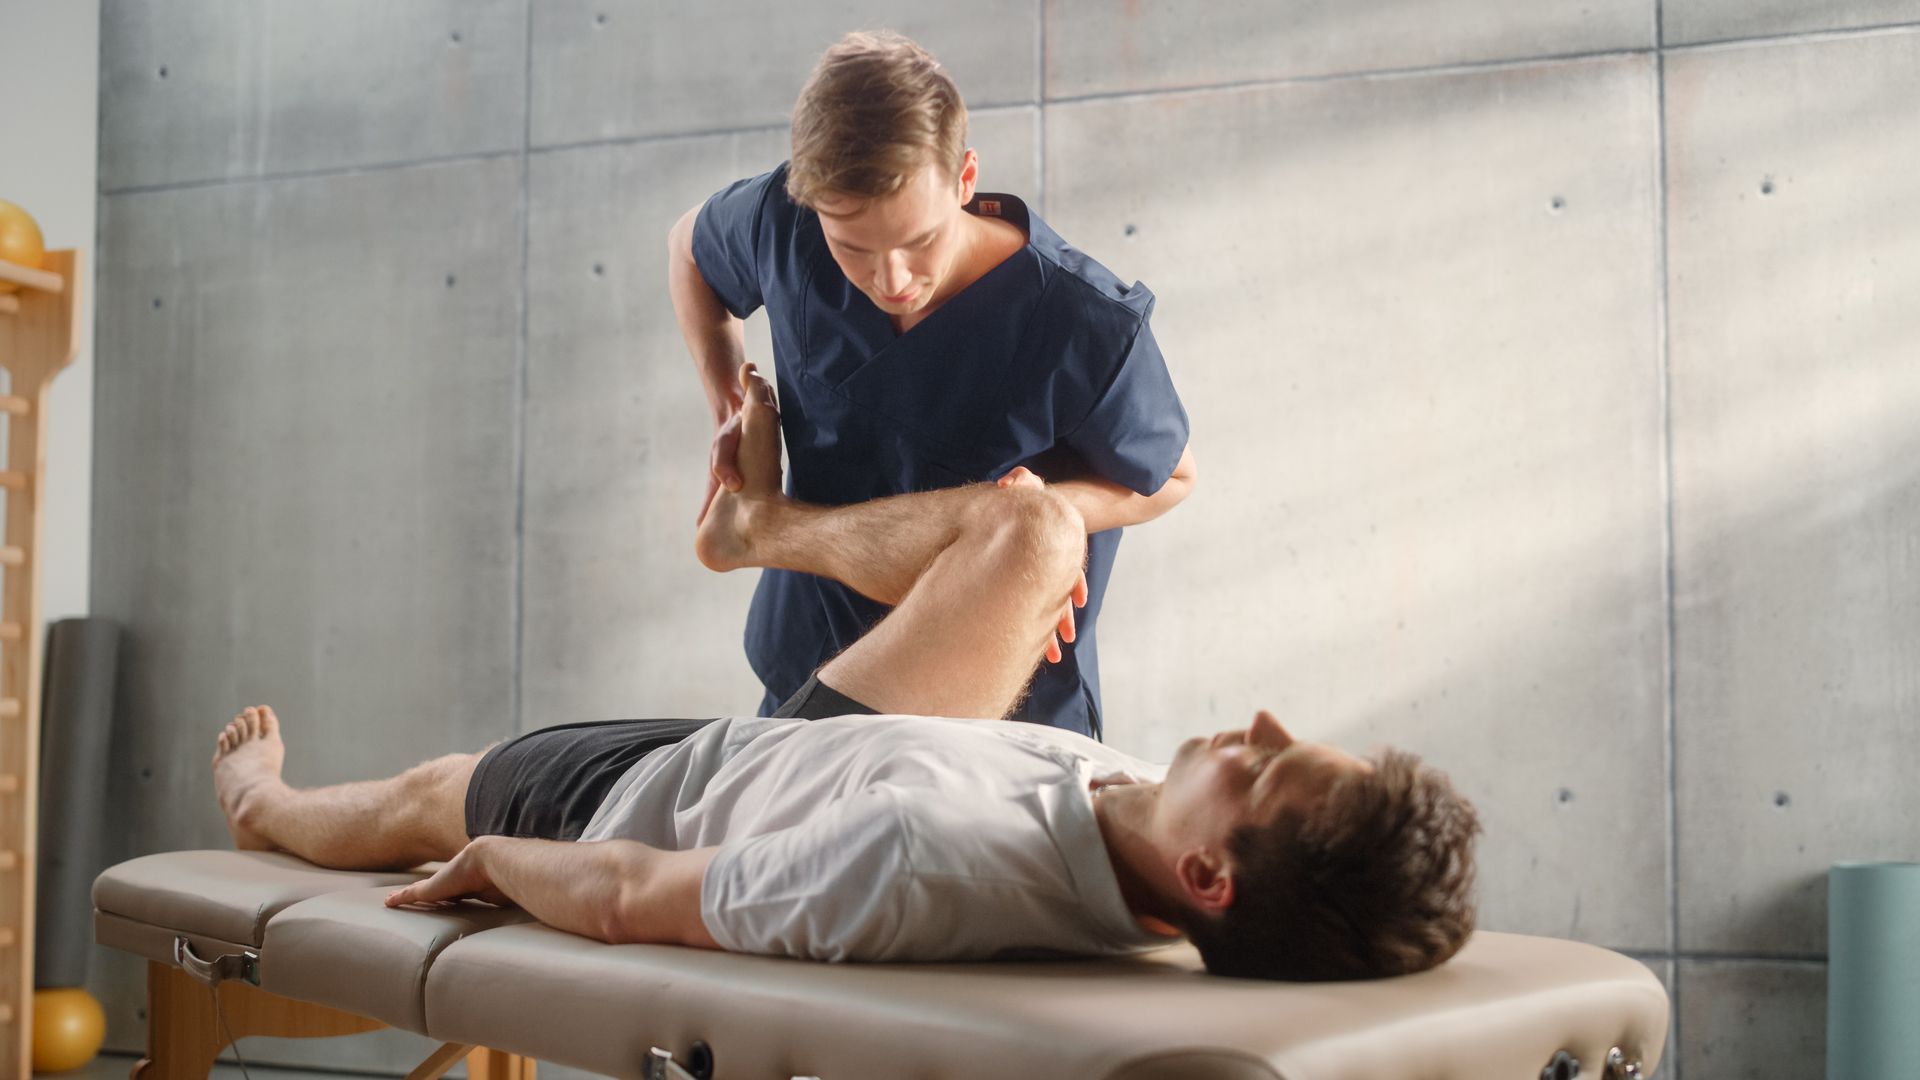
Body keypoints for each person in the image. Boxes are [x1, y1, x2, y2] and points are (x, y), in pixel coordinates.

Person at [209, 367, 1480, 980]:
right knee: (1038, 531)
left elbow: (628, 891)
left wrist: (495, 864)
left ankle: (265, 807)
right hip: (848, 747)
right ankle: (753, 531)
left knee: (433, 793)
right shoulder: (1160, 823)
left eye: (1268, 763)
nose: (1258, 721)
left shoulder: (920, 862)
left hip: (646, 793)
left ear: (1209, 877)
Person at [667, 30, 1196, 738]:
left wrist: (1041, 516)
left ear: (965, 179)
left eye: (919, 242)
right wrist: (732, 405)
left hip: (996, 703)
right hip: (813, 665)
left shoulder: (1081, 322)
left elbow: (1169, 478)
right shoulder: (783, 223)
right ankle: (764, 529)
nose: (892, 281)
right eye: (852, 247)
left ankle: (765, 531)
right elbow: (689, 251)